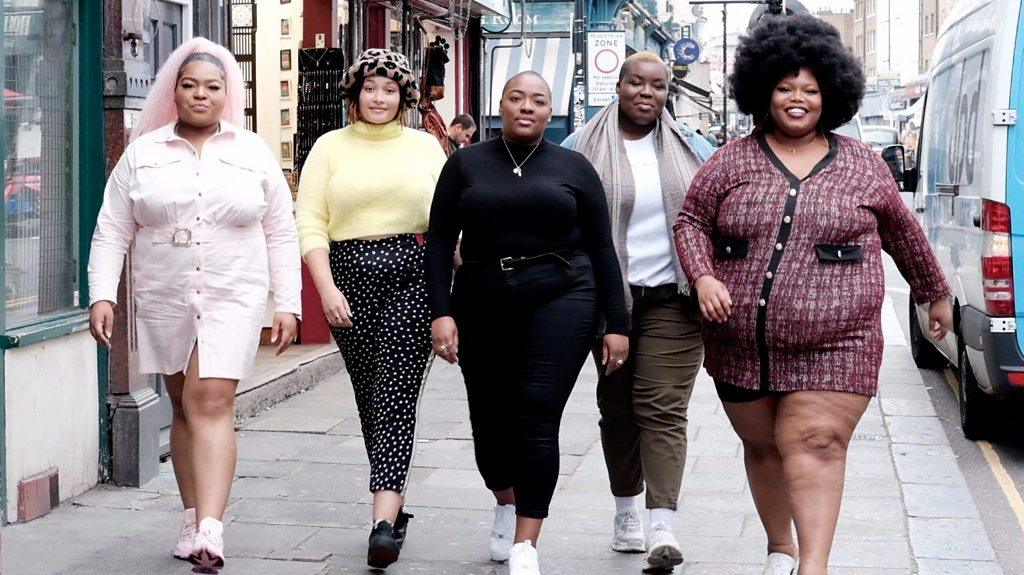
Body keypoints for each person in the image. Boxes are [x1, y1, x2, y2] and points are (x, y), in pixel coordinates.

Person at [673, 15, 952, 575]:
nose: (797, 99)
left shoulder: (864, 165)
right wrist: (703, 276)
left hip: (839, 340)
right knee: (765, 447)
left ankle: (813, 568)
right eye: (784, 88)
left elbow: (903, 233)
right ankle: (782, 548)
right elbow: (690, 222)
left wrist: (934, 294)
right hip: (739, 341)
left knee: (816, 441)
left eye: (810, 90)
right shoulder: (731, 159)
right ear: (763, 92)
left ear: (831, 95)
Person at [87, 38, 301, 574]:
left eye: (212, 86)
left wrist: (288, 303)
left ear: (227, 94)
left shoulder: (251, 152)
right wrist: (102, 293)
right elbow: (112, 228)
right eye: (189, 85)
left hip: (232, 293)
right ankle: (190, 517)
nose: (200, 94)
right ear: (173, 92)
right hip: (164, 295)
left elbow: (280, 230)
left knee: (209, 402)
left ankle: (212, 527)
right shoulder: (144, 153)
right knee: (182, 405)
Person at [426, 71, 629, 575]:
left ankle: (526, 544)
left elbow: (602, 247)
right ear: (500, 105)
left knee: (537, 410)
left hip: (562, 293)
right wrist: (442, 312)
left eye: (538, 100)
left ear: (549, 110)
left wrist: (616, 322)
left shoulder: (574, 167)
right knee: (489, 422)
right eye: (517, 98)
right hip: (481, 298)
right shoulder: (465, 164)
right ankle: (505, 501)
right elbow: (437, 242)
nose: (527, 107)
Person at [295, 48, 447, 570]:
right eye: (369, 88)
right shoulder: (329, 147)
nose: (379, 97)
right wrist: (325, 288)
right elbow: (310, 221)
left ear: (403, 95)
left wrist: (453, 300)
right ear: (354, 94)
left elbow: (450, 224)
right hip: (347, 276)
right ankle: (396, 506)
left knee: (394, 394)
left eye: (389, 89)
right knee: (369, 398)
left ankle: (382, 523)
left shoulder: (426, 147)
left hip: (412, 273)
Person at [562, 51, 714, 572]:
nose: (646, 93)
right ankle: (626, 508)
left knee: (662, 406)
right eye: (636, 83)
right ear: (618, 87)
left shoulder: (692, 146)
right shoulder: (579, 147)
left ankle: (662, 524)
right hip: (608, 299)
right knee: (618, 407)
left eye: (657, 86)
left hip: (674, 296)